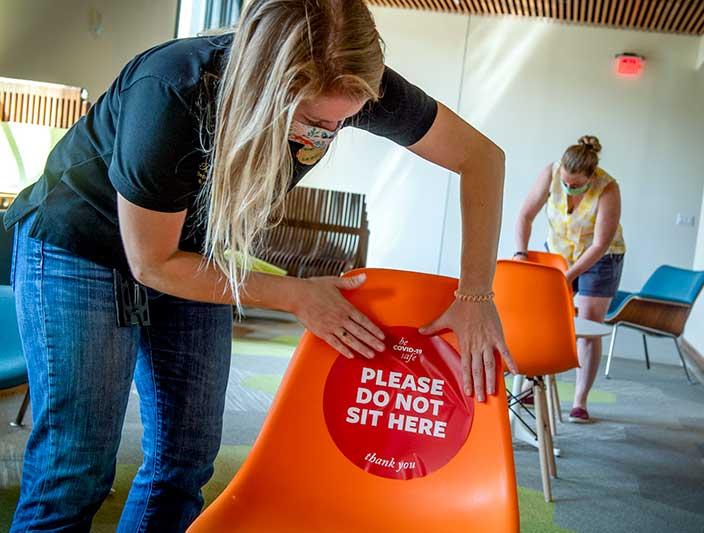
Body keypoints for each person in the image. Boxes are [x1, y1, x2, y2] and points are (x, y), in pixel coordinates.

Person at [3, 1, 517, 529]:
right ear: (262, 84)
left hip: (191, 252)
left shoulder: (348, 74)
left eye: (342, 120)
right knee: (78, 465)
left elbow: (481, 157)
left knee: (186, 459)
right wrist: (294, 294)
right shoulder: (172, 91)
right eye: (314, 121)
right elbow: (152, 263)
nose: (327, 133)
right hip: (81, 246)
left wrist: (475, 294)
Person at [513, 135, 625, 424]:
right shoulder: (551, 173)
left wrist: (569, 277)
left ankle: (580, 400)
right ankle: (531, 384)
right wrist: (520, 253)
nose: (568, 188)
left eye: (575, 185)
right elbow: (525, 215)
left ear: (592, 176)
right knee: (547, 319)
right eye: (565, 181)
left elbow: (600, 244)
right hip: (559, 253)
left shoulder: (608, 188)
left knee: (587, 324)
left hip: (601, 259)